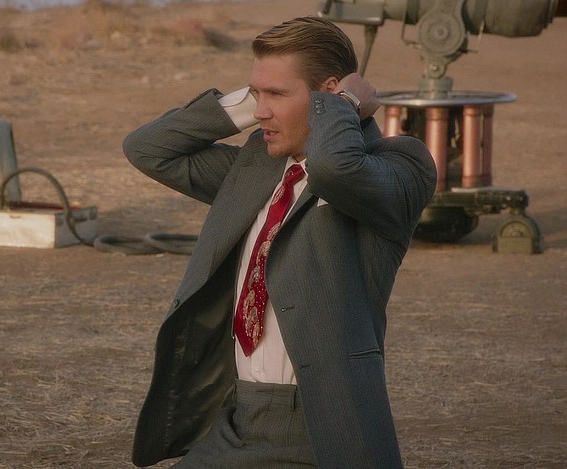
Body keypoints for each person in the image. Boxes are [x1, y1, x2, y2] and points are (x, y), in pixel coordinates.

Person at [122, 16, 437, 468]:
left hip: (320, 431)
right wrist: (249, 104)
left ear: (330, 93)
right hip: (237, 421)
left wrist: (343, 106)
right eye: (258, 93)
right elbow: (148, 149)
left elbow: (333, 167)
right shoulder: (256, 169)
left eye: (277, 94)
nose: (261, 111)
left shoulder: (398, 166)